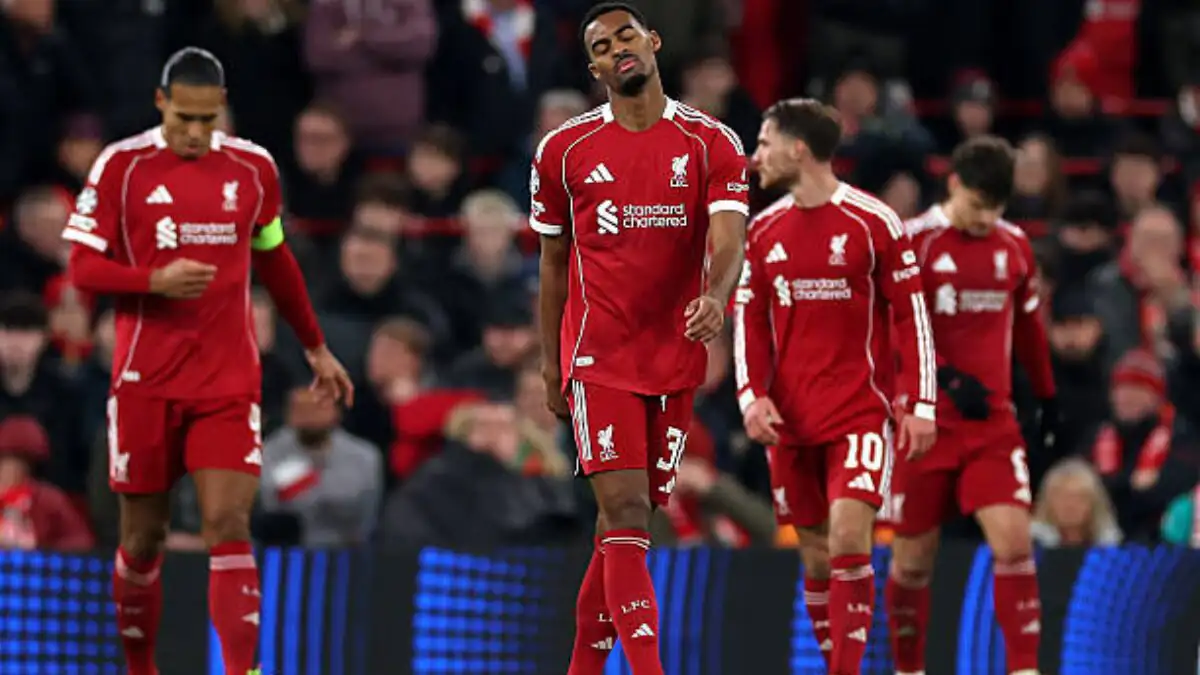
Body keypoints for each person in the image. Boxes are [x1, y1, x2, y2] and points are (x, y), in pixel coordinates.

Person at [59, 47, 353, 675]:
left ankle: (243, 670)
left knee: (228, 522)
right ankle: (140, 667)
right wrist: (152, 282)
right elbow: (83, 266)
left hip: (225, 379)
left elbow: (274, 257)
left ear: (222, 109)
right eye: (184, 118)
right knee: (141, 540)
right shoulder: (123, 166)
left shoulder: (253, 169)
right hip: (144, 381)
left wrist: (315, 344)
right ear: (161, 102)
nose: (195, 133)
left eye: (207, 119)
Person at [531, 4, 750, 673]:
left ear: (652, 43)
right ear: (594, 67)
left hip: (674, 355)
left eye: (627, 35)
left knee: (626, 526)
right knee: (623, 509)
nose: (618, 48)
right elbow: (551, 262)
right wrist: (550, 364)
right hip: (598, 352)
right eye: (603, 45)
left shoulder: (712, 142)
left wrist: (715, 298)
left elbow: (729, 237)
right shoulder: (564, 151)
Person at [733, 97, 937, 675]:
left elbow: (910, 316)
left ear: (799, 149)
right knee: (818, 559)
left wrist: (919, 403)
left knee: (851, 539)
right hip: (791, 421)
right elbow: (747, 320)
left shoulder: (874, 222)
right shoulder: (763, 231)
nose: (756, 158)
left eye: (765, 143)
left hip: (858, 413)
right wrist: (753, 397)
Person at [884, 137, 1056, 675]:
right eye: (979, 205)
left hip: (992, 424)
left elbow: (1028, 330)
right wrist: (942, 382)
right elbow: (887, 333)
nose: (987, 220)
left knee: (1013, 542)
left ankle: (1024, 669)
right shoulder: (915, 242)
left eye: (997, 209)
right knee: (912, 562)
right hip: (924, 423)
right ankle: (908, 668)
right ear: (954, 184)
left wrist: (1046, 397)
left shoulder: (1015, 247)